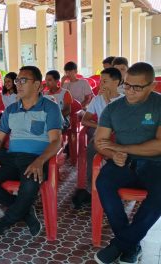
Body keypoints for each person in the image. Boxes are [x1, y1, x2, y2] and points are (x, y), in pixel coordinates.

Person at [0, 66, 62, 236]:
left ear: (38, 85)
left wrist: (40, 161)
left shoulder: (50, 108)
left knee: (30, 184)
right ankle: (26, 212)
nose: (18, 84)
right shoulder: (11, 110)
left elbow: (56, 141)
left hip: (34, 158)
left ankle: (6, 221)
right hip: (11, 157)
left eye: (24, 80)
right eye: (17, 80)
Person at [93, 62, 161, 264]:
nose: (130, 91)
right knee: (103, 182)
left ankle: (120, 244)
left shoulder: (159, 105)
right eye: (127, 85)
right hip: (123, 163)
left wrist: (121, 149)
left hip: (155, 165)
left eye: (137, 87)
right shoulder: (113, 108)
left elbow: (159, 146)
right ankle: (130, 245)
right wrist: (112, 154)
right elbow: (100, 142)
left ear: (152, 85)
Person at [73, 67, 123, 209]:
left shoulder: (124, 100)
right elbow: (85, 121)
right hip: (102, 135)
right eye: (101, 80)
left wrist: (107, 101)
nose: (101, 84)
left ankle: (117, 185)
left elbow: (118, 122)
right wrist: (101, 125)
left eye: (105, 81)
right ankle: (91, 189)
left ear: (116, 82)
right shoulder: (97, 100)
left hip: (119, 137)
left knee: (120, 156)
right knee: (91, 149)